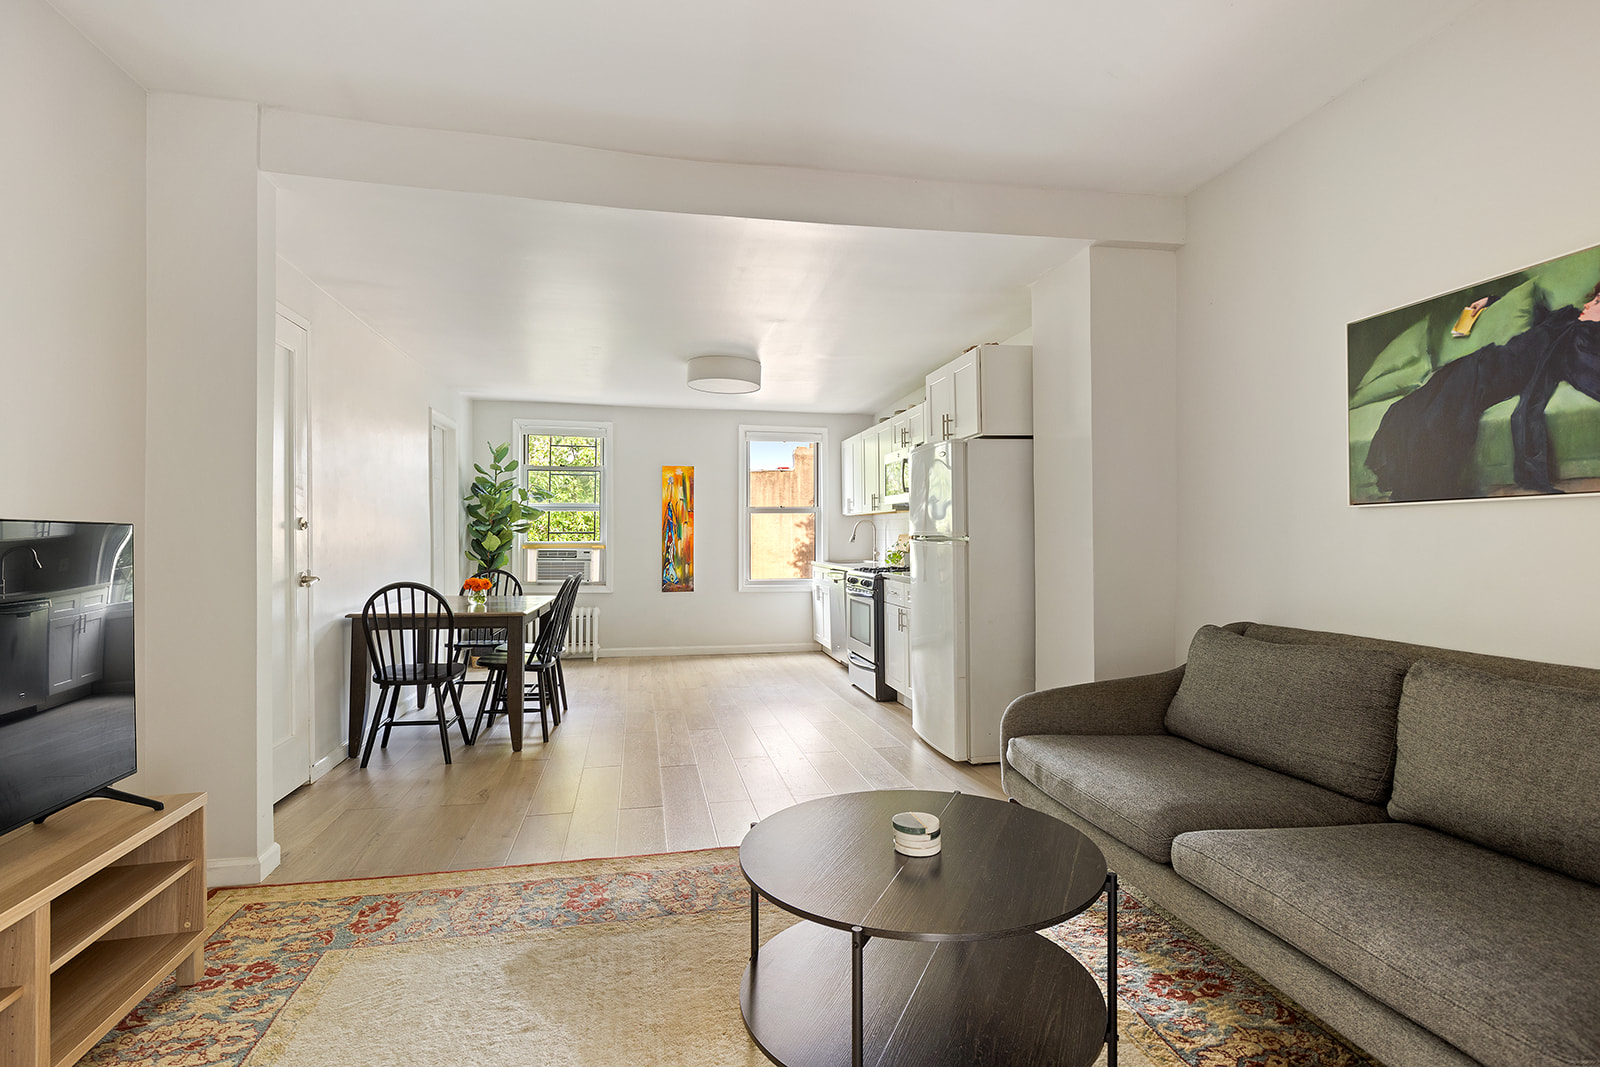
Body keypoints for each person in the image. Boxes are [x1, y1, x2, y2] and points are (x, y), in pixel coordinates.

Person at [1366, 282, 1600, 501]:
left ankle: (1412, 487)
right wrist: (1489, 300)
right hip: (1482, 360)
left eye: (1598, 302)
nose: (1588, 304)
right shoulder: (1566, 317)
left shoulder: (1583, 336)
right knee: (1407, 408)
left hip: (1487, 377)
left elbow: (1586, 368)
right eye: (1594, 299)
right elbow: (1539, 315)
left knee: (1431, 421)